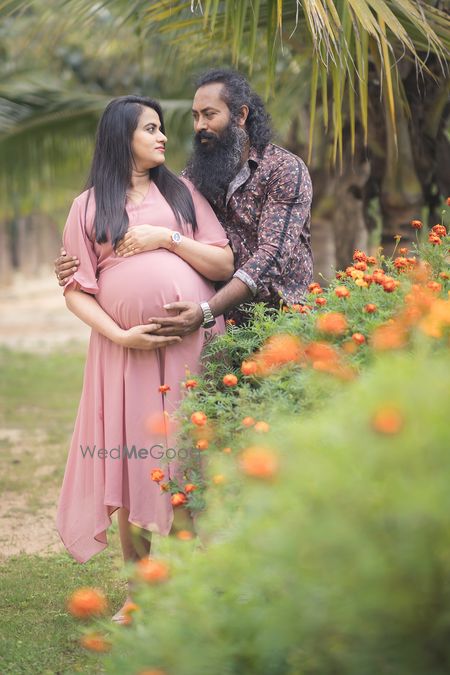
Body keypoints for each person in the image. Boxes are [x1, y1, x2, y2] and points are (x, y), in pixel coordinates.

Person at [55, 95, 233, 622]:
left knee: (190, 456)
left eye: (161, 128)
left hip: (191, 347)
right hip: (126, 354)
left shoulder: (182, 193)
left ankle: (204, 583)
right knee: (135, 463)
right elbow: (75, 289)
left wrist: (167, 238)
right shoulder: (87, 207)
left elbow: (223, 262)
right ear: (122, 137)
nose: (163, 138)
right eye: (150, 129)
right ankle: (140, 592)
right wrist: (122, 336)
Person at [55, 69, 313, 334]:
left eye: (209, 114)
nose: (200, 125)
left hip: (280, 322)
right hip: (226, 330)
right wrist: (75, 261)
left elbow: (270, 258)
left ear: (240, 116)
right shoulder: (193, 178)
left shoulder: (283, 170)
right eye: (195, 116)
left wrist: (206, 310)